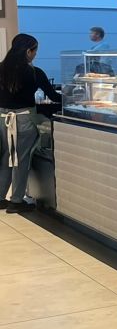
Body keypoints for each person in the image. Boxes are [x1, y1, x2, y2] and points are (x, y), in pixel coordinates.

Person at [0, 34, 61, 213]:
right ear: (28, 51)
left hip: (2, 119)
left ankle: (0, 197)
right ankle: (16, 201)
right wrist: (72, 100)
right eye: (35, 51)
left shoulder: (1, 69)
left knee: (6, 157)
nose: (35, 54)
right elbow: (53, 96)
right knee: (21, 159)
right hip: (24, 119)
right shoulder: (34, 72)